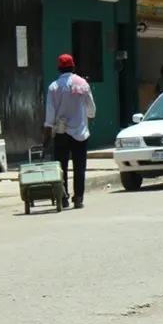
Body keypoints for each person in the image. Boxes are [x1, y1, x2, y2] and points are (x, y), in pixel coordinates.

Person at [43, 54, 96, 209]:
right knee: (79, 167)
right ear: (73, 67)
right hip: (80, 132)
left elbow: (50, 113)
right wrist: (89, 118)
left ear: (59, 69)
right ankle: (78, 197)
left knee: (61, 167)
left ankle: (63, 197)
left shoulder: (54, 87)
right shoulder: (83, 84)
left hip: (61, 132)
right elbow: (91, 108)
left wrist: (47, 132)